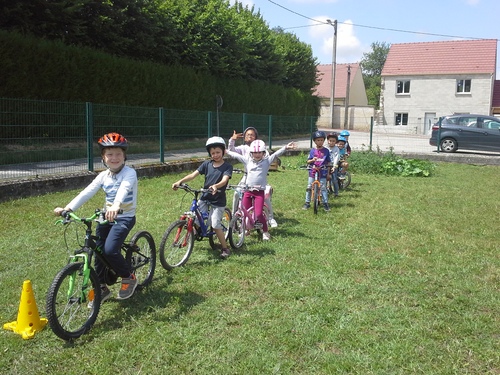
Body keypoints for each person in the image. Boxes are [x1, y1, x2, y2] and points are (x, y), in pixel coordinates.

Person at [54, 132, 138, 303]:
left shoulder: (130, 173)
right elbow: (87, 192)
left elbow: (124, 188)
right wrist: (68, 208)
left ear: (124, 156)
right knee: (96, 250)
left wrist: (116, 205)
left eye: (118, 154)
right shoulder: (103, 176)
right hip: (106, 217)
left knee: (109, 250)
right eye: (109, 154)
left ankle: (128, 277)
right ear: (103, 157)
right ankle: (101, 287)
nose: (114, 158)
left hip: (124, 217)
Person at [172, 136, 233, 259]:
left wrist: (216, 186)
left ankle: (225, 248)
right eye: (213, 153)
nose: (215, 155)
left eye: (218, 152)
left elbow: (224, 180)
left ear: (223, 152)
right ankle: (197, 230)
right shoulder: (206, 164)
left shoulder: (227, 167)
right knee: (194, 216)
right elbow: (193, 175)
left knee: (215, 225)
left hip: (218, 200)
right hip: (205, 197)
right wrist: (180, 181)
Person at [226, 139, 295, 241]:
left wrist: (285, 147)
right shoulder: (247, 161)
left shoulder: (267, 162)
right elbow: (237, 156)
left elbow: (276, 154)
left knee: (258, 213)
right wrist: (227, 152)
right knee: (244, 212)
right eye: (255, 153)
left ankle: (265, 231)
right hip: (248, 191)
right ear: (251, 153)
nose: (257, 155)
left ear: (263, 153)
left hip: (259, 192)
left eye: (259, 152)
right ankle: (246, 229)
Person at [228, 127, 278, 228]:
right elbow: (231, 150)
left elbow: (267, 160)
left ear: (256, 137)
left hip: (260, 177)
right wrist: (232, 140)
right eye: (247, 135)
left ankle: (271, 217)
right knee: (237, 193)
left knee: (265, 196)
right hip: (246, 176)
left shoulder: (261, 148)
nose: (250, 136)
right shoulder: (243, 148)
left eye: (252, 135)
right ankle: (235, 216)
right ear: (244, 137)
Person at [303, 131, 331, 211]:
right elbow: (308, 161)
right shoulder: (312, 151)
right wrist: (312, 160)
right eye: (318, 140)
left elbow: (329, 162)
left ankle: (325, 203)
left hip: (323, 171)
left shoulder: (326, 151)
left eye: (322, 140)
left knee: (323, 188)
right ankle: (307, 202)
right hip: (313, 171)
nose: (320, 142)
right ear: (314, 141)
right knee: (309, 187)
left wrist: (328, 173)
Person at [326, 132, 341, 198]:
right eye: (330, 141)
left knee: (334, 179)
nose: (331, 142)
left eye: (333, 141)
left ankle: (336, 192)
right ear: (328, 141)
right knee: (325, 179)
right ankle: (325, 191)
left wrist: (334, 166)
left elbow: (336, 158)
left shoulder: (336, 149)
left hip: (333, 165)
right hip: (326, 165)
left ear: (336, 142)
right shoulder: (325, 148)